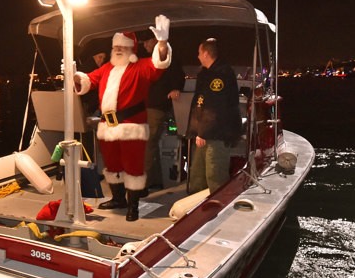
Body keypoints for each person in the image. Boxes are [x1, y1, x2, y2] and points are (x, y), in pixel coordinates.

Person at [74, 15, 172, 221]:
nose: (118, 49)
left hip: (131, 124)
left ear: (132, 49)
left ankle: (133, 206)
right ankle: (119, 199)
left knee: (133, 166)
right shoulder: (107, 68)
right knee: (112, 163)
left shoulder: (141, 66)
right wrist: (75, 75)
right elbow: (89, 80)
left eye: (123, 46)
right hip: (107, 124)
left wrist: (162, 43)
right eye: (116, 46)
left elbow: (159, 65)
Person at [187, 38, 242, 194]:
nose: (197, 56)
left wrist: (203, 132)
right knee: (198, 176)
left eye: (199, 53)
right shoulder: (206, 74)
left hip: (217, 134)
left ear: (205, 53)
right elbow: (201, 103)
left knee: (215, 175)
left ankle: (218, 209)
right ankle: (197, 209)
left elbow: (215, 107)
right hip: (206, 133)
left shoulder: (221, 75)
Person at [140, 35, 185, 194]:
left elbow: (178, 75)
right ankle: (156, 181)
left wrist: (176, 89)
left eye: (146, 41)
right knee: (150, 145)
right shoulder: (150, 60)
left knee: (147, 144)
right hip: (148, 106)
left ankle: (143, 184)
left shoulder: (167, 57)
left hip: (156, 108)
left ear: (154, 41)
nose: (144, 44)